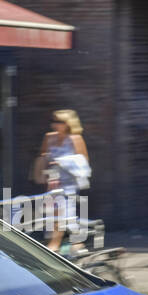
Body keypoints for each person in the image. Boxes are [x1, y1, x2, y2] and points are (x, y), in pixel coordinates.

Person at [38, 109, 89, 254]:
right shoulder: (49, 137)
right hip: (53, 180)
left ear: (67, 123)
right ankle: (76, 241)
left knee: (61, 211)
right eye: (54, 121)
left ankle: (55, 244)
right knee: (54, 211)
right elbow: (42, 157)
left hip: (69, 182)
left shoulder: (75, 139)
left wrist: (63, 161)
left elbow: (83, 160)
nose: (55, 124)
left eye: (59, 122)